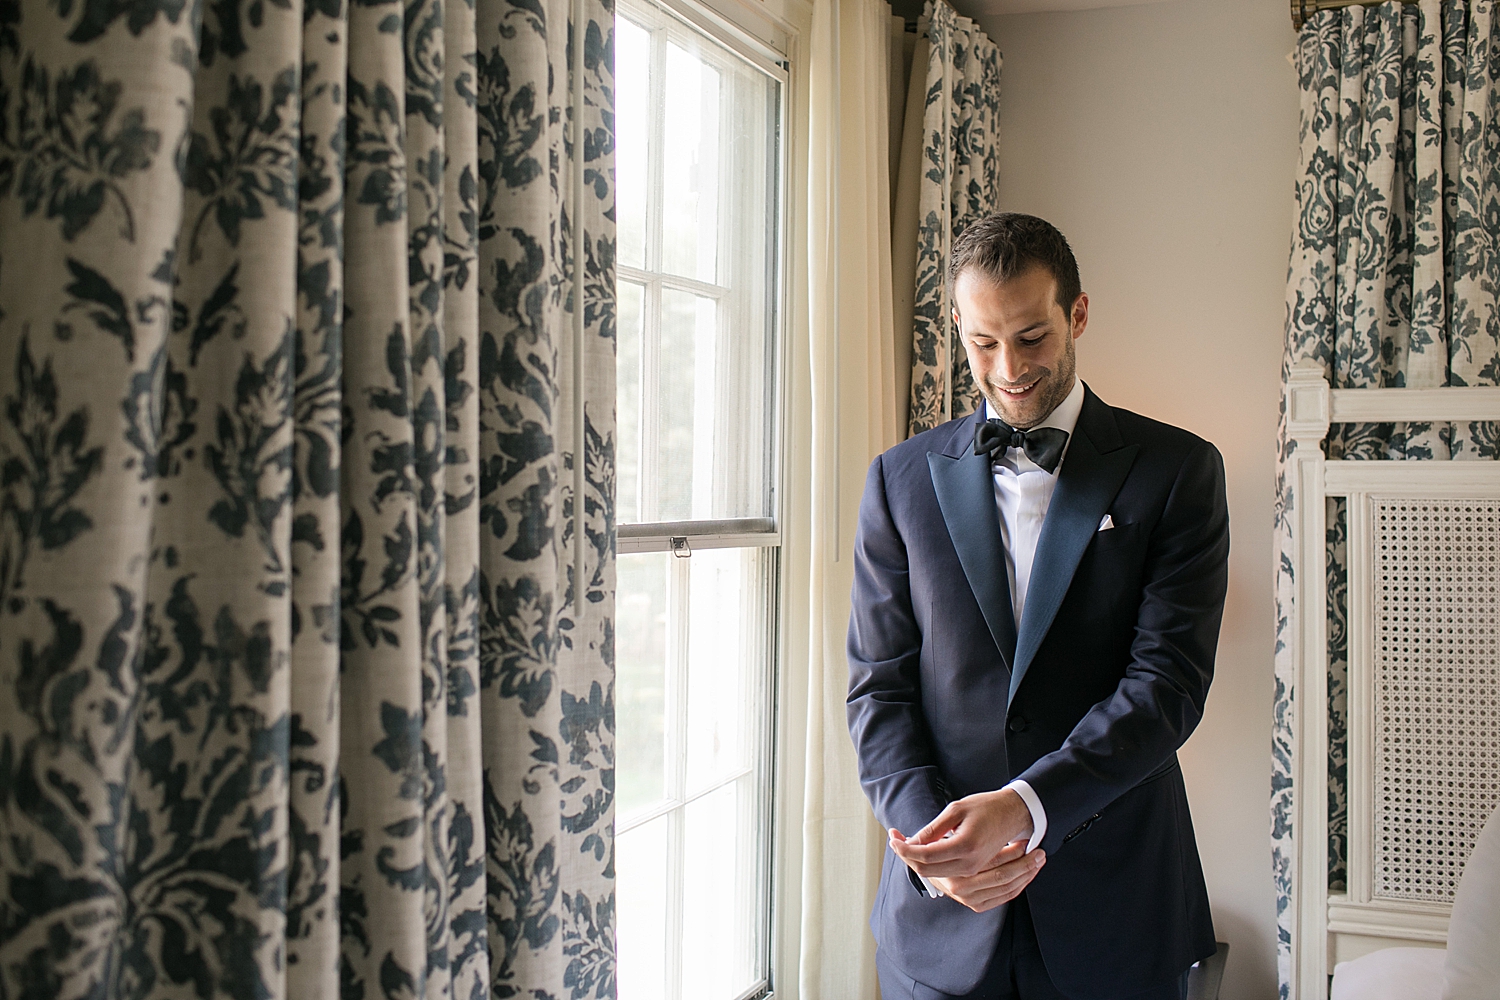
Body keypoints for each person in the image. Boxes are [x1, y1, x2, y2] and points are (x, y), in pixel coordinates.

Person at [847, 213, 1228, 1000]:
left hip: (1118, 907)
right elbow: (877, 689)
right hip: (938, 925)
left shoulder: (1179, 471)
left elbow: (1166, 686)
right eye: (984, 342)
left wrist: (1027, 808)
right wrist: (940, 851)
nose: (1009, 367)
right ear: (956, 324)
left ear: (1077, 314)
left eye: (1030, 337)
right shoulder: (897, 480)